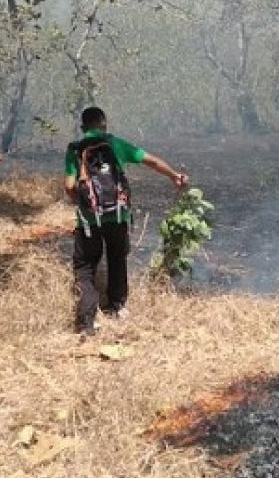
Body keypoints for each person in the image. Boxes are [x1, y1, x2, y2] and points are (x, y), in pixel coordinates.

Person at [64, 106, 189, 336]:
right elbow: (150, 160)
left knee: (85, 268)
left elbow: (70, 186)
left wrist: (82, 204)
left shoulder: (75, 150)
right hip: (118, 216)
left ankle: (86, 321)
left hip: (89, 222)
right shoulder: (115, 144)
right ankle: (118, 306)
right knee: (117, 260)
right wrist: (174, 176)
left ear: (83, 127)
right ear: (104, 124)